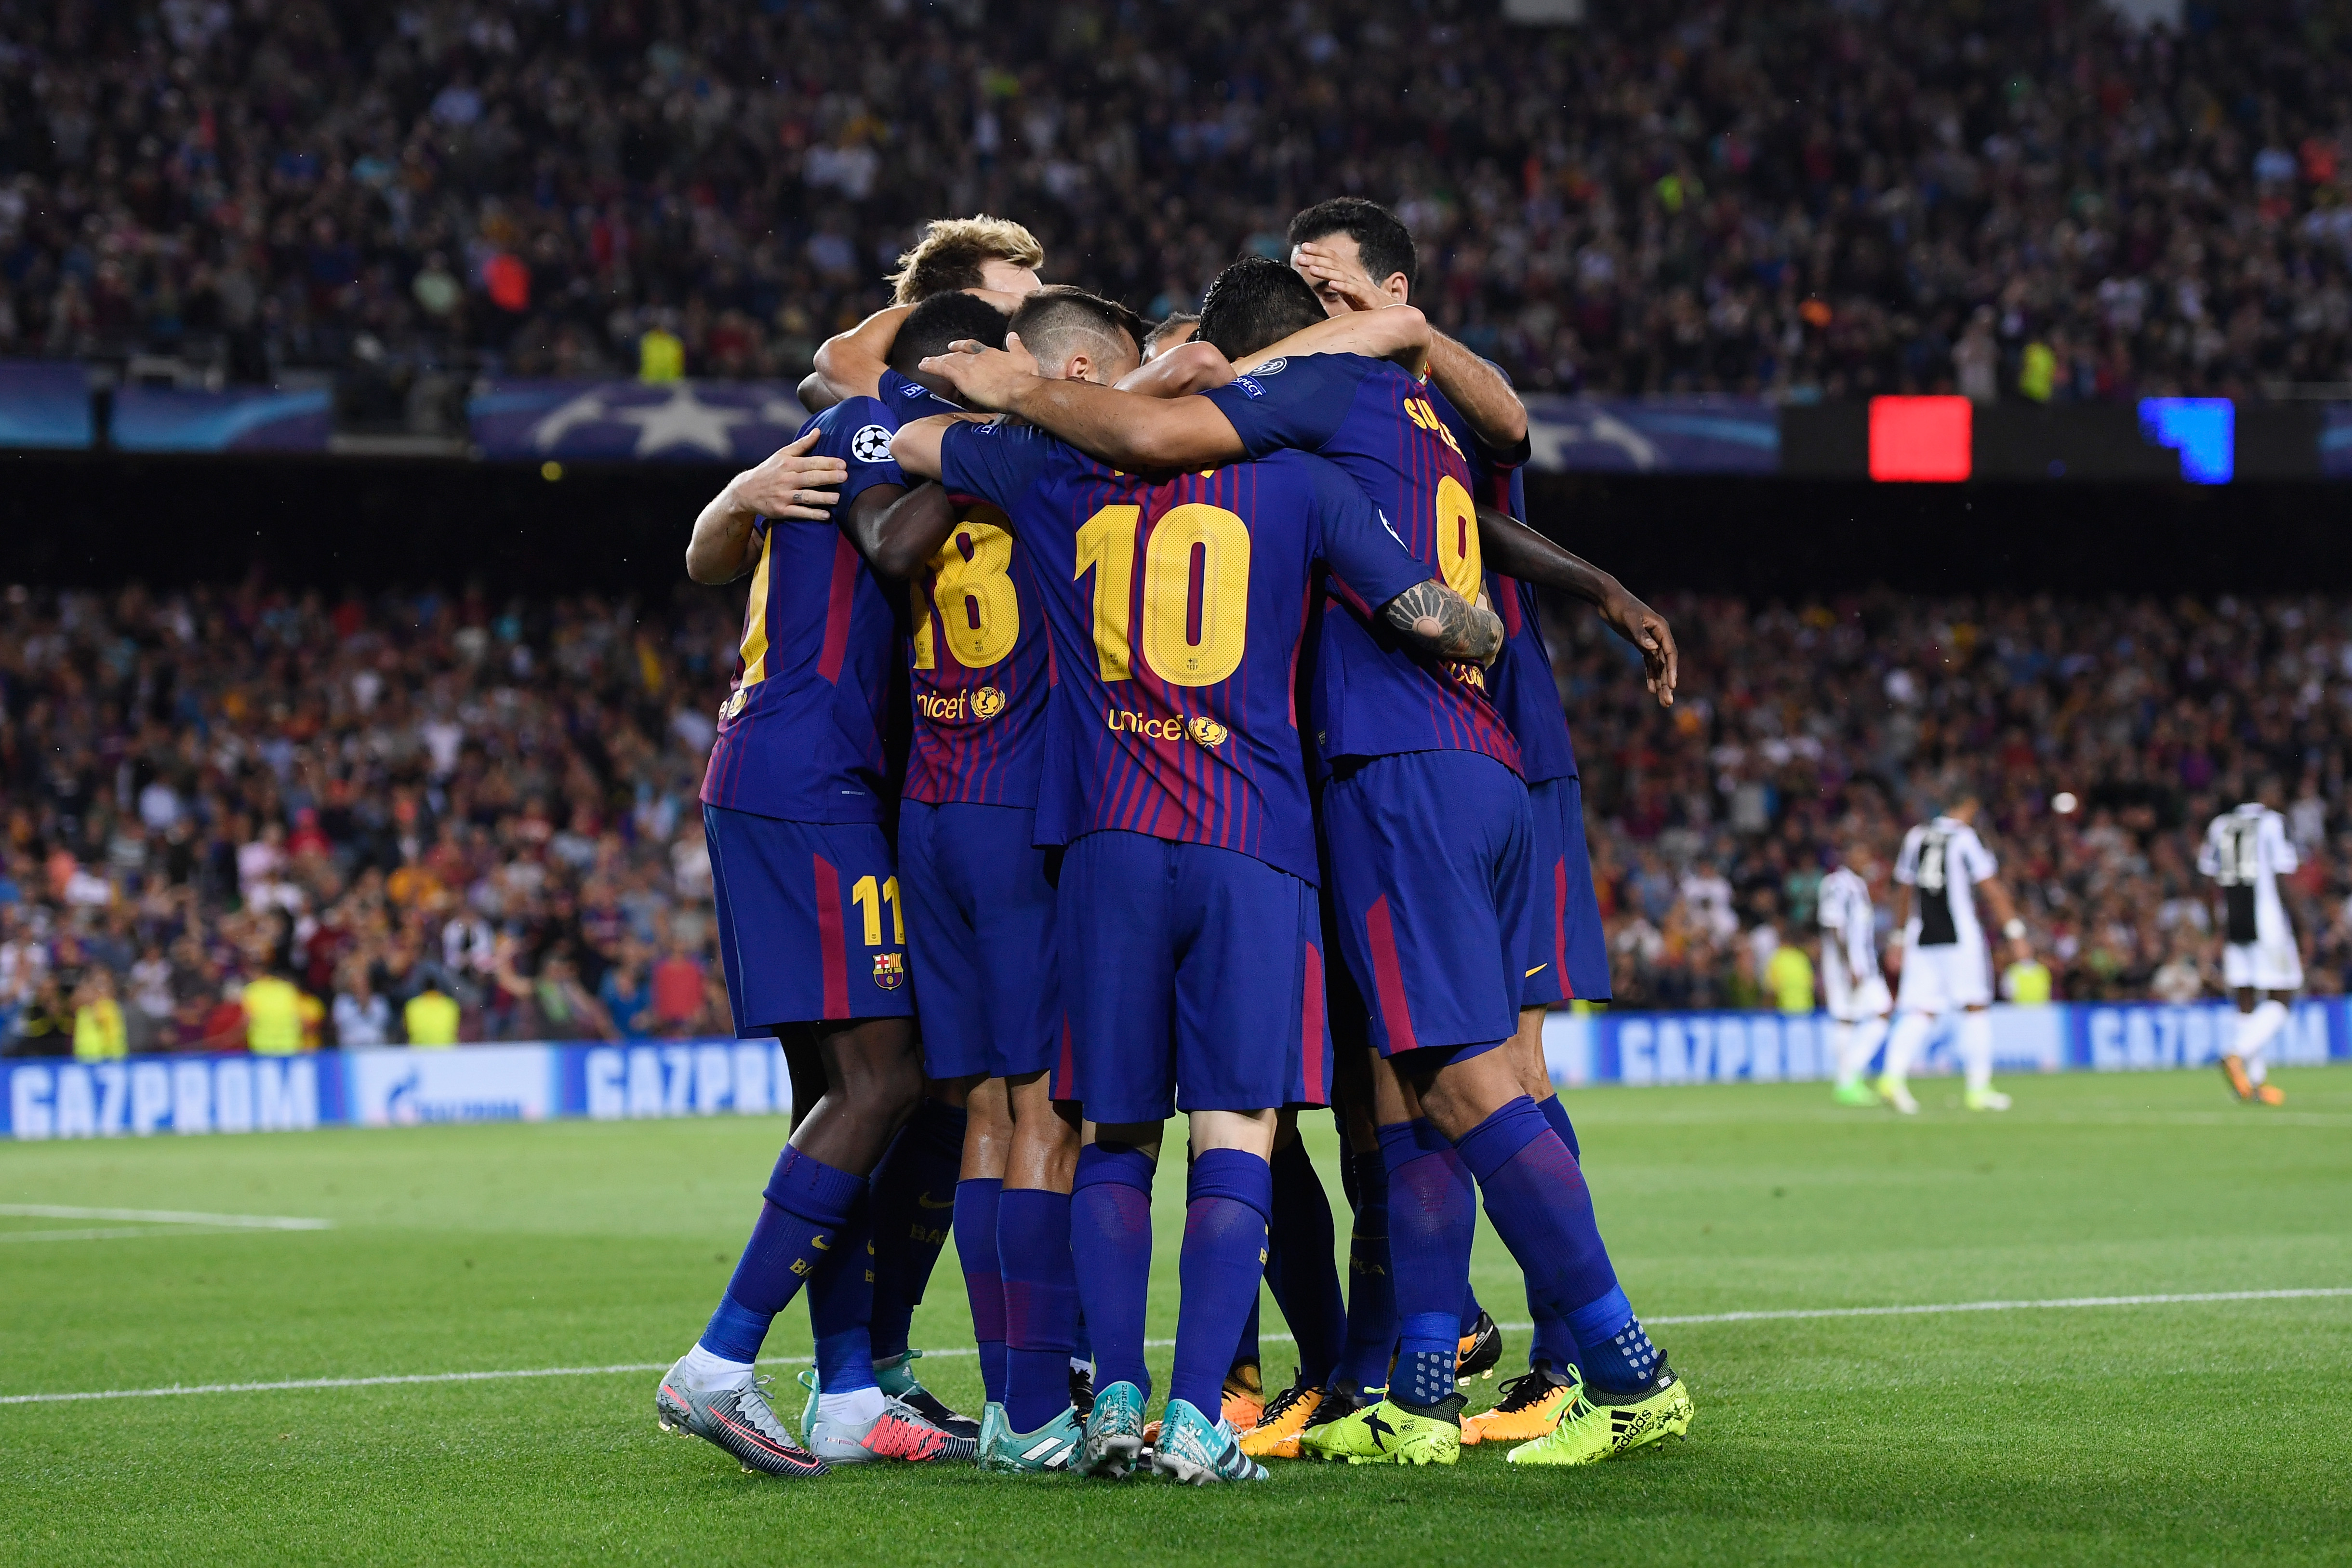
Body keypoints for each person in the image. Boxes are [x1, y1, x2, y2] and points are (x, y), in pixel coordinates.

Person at [913, 255, 1690, 1472]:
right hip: (1312, 815)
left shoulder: (1074, 468)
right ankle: (1399, 1384)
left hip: (1215, 812)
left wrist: (995, 382)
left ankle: (1620, 1361)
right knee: (1371, 1098)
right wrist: (1528, 607)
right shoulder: (1327, 469)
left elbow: (925, 461)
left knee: (1167, 1125)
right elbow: (1456, 611)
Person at [656, 302, 977, 1481]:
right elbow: (842, 395)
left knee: (865, 1089)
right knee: (885, 1076)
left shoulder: (871, 432)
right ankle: (719, 1359)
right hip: (810, 783)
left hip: (830, 780)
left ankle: (846, 1386)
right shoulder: (878, 427)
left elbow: (716, 547)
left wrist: (734, 499)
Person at [840, 288, 1135, 1474]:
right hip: (1022, 816)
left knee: (979, 1115)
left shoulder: (931, 465)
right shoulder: (1050, 462)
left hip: (932, 812)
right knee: (1043, 1114)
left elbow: (846, 398)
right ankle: (1030, 1404)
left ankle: (1016, 1405)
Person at [1880, 793, 2033, 1114]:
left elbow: (1904, 890)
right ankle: (1978, 1089)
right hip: (1959, 937)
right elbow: (1990, 888)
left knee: (1920, 1010)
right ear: (1967, 806)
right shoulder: (1964, 838)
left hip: (1921, 937)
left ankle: (1891, 1078)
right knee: (1974, 1006)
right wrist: (2015, 933)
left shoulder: (1916, 836)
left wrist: (1897, 937)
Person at [2198, 782, 2300, 1105]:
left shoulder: (2219, 825)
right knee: (2283, 997)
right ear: (2265, 795)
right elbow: (2282, 878)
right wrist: (2301, 924)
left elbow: (2207, 878)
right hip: (2268, 924)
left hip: (2234, 924)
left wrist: (2217, 927)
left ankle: (2254, 1085)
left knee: (2245, 998)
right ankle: (2236, 1054)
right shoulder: (2272, 822)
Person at [1820, 843, 1894, 1108]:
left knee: (1881, 1012)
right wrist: (1847, 964)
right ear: (1849, 856)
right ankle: (1847, 1081)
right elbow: (1833, 924)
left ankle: (1849, 1076)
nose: (1866, 860)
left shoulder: (1858, 887)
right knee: (1847, 1019)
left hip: (1865, 966)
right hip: (1847, 967)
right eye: (1861, 854)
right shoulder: (1837, 884)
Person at [241, 965, 309, 1056]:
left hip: (262, 1045)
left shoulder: (252, 990)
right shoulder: (287, 989)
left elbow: (248, 1019)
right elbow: (299, 1018)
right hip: (290, 1043)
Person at [332, 962, 392, 1047]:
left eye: (363, 984)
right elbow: (342, 1023)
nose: (361, 988)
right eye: (356, 985)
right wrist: (359, 1005)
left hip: (377, 1049)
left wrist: (367, 1005)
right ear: (351, 986)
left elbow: (383, 1022)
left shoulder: (379, 1001)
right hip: (350, 1050)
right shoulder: (342, 1002)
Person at [71, 970, 127, 1061]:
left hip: (110, 1060)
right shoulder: (82, 1010)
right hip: (85, 1059)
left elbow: (115, 1038)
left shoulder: (110, 1008)